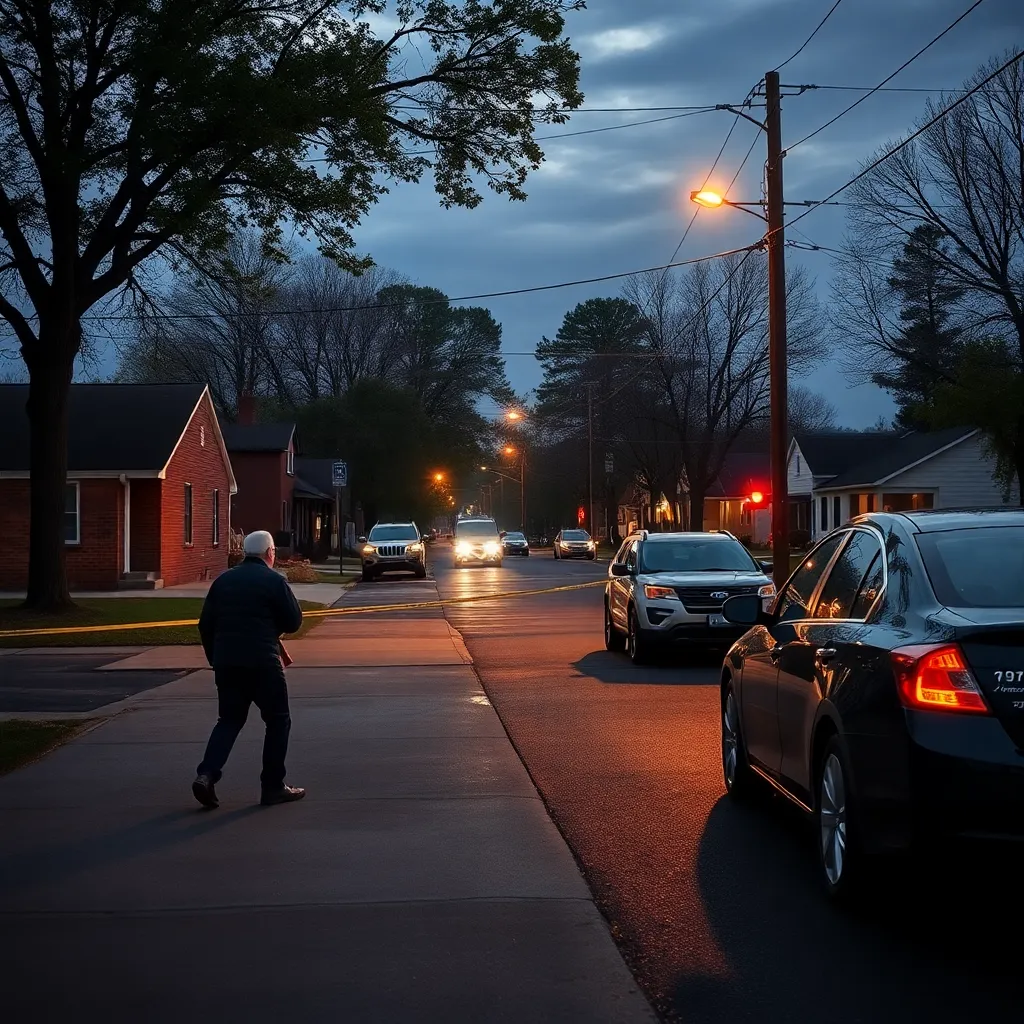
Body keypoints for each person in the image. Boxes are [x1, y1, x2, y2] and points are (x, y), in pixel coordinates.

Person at [192, 530, 306, 809]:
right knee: (278, 721)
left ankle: (207, 775)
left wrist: (215, 658)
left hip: (227, 664)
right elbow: (293, 622)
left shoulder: (223, 581)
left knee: (229, 720)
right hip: (263, 663)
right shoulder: (274, 581)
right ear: (270, 553)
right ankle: (273, 786)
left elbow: (205, 625)